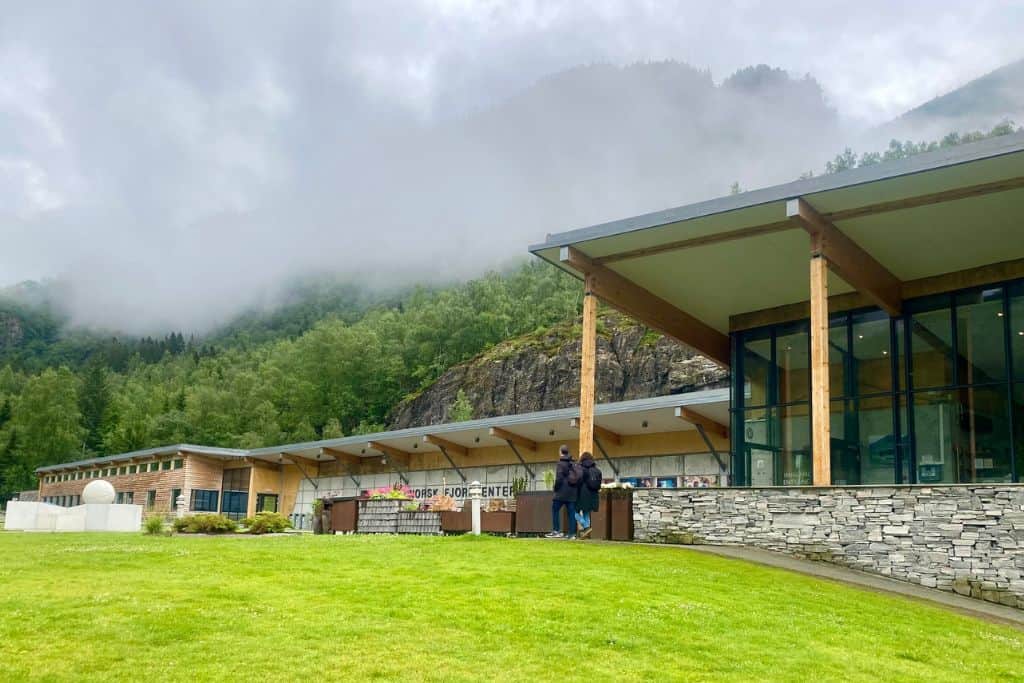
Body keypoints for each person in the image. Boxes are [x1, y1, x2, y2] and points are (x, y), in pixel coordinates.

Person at [545, 445, 579, 539]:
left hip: (561, 493)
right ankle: (572, 534)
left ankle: (557, 531)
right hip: (572, 492)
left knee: (555, 510)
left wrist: (555, 488)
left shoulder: (560, 463)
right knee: (571, 513)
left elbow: (559, 478)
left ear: (560, 452)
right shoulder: (574, 463)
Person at [574, 452, 602, 539]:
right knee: (586, 513)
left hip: (581, 495)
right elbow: (598, 485)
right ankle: (586, 532)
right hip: (593, 496)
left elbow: (576, 482)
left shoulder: (579, 469)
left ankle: (585, 525)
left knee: (573, 512)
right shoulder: (598, 471)